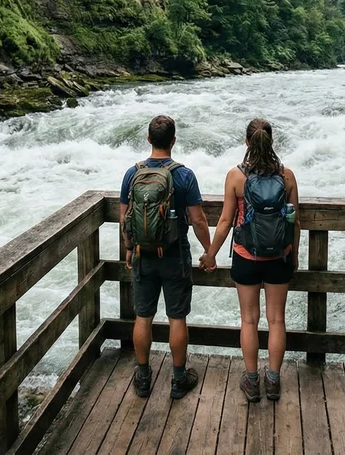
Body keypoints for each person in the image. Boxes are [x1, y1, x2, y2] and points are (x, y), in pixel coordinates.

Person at [200, 118, 301, 402]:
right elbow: (295, 222)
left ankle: (252, 381)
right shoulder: (287, 176)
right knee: (277, 319)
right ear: (272, 142)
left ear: (246, 142)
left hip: (246, 256)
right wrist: (294, 256)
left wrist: (210, 254)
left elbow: (224, 222)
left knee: (249, 320)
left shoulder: (236, 176)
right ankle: (273, 380)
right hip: (279, 257)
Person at [119, 115, 212, 399]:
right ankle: (178, 378)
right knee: (177, 317)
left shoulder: (132, 173)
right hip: (174, 253)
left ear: (148, 139)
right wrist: (209, 251)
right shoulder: (184, 175)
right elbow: (197, 220)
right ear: (174, 140)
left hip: (142, 254)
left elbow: (124, 218)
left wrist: (128, 248)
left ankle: (144, 377)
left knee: (143, 317)